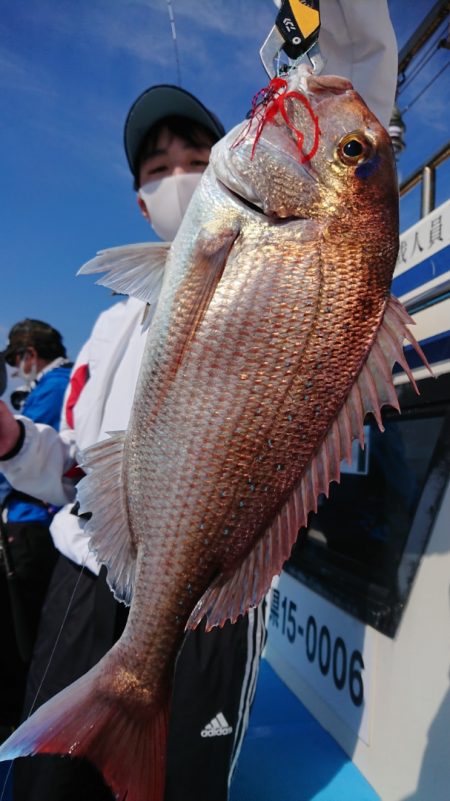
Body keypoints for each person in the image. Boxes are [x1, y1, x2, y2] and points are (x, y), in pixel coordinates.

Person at [0, 2, 398, 798]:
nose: (177, 172)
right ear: (140, 201)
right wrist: (15, 444)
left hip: (204, 610)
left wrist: (327, 28)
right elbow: (79, 466)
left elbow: (358, 95)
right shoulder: (112, 325)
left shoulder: (320, 230)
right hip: (86, 582)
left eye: (191, 152)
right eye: (155, 168)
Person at [0, 320, 72, 732]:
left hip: (33, 531)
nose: (13, 368)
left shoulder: (55, 385)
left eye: (14, 358)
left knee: (26, 637)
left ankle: (24, 721)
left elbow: (19, 454)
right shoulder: (55, 384)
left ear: (30, 354)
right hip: (29, 529)